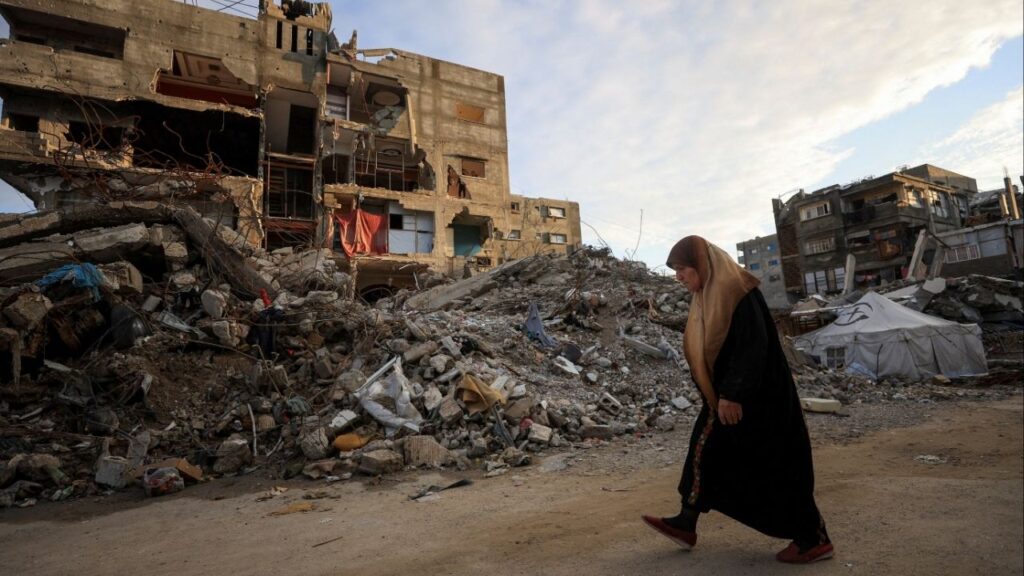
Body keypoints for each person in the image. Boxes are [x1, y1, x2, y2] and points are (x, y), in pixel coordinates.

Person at [641, 235, 833, 564]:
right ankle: (687, 520)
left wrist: (733, 393)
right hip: (728, 399)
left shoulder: (737, 292)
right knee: (707, 453)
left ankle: (812, 538)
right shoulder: (707, 296)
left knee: (776, 464)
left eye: (683, 269)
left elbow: (751, 347)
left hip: (758, 401)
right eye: (675, 271)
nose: (678, 277)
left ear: (702, 265)